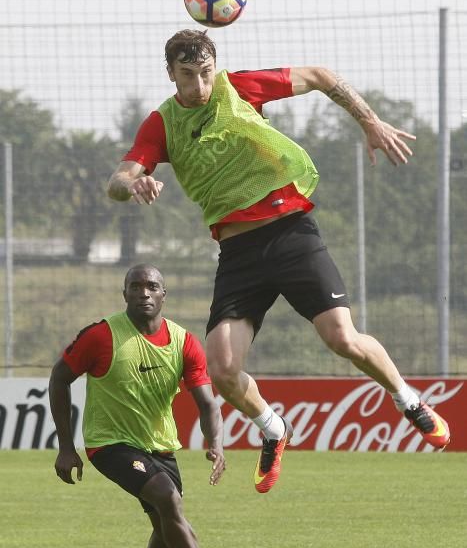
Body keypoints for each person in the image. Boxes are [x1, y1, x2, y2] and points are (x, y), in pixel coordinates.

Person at [107, 30, 450, 493]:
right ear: (170, 74)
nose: (200, 86)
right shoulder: (161, 124)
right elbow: (118, 179)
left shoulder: (242, 88)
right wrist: (135, 184)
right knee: (223, 368)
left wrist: (369, 121)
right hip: (239, 253)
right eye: (188, 76)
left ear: (216, 67)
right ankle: (273, 428)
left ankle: (408, 400)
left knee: (342, 338)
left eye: (206, 73)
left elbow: (320, 76)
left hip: (291, 233)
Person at [49, 263, 245, 548]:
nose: (144, 293)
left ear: (163, 294)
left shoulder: (184, 342)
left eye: (152, 286)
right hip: (109, 445)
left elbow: (207, 402)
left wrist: (216, 442)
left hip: (160, 446)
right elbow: (59, 378)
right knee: (168, 501)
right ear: (124, 294)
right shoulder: (101, 336)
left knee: (166, 522)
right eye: (135, 286)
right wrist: (65, 446)